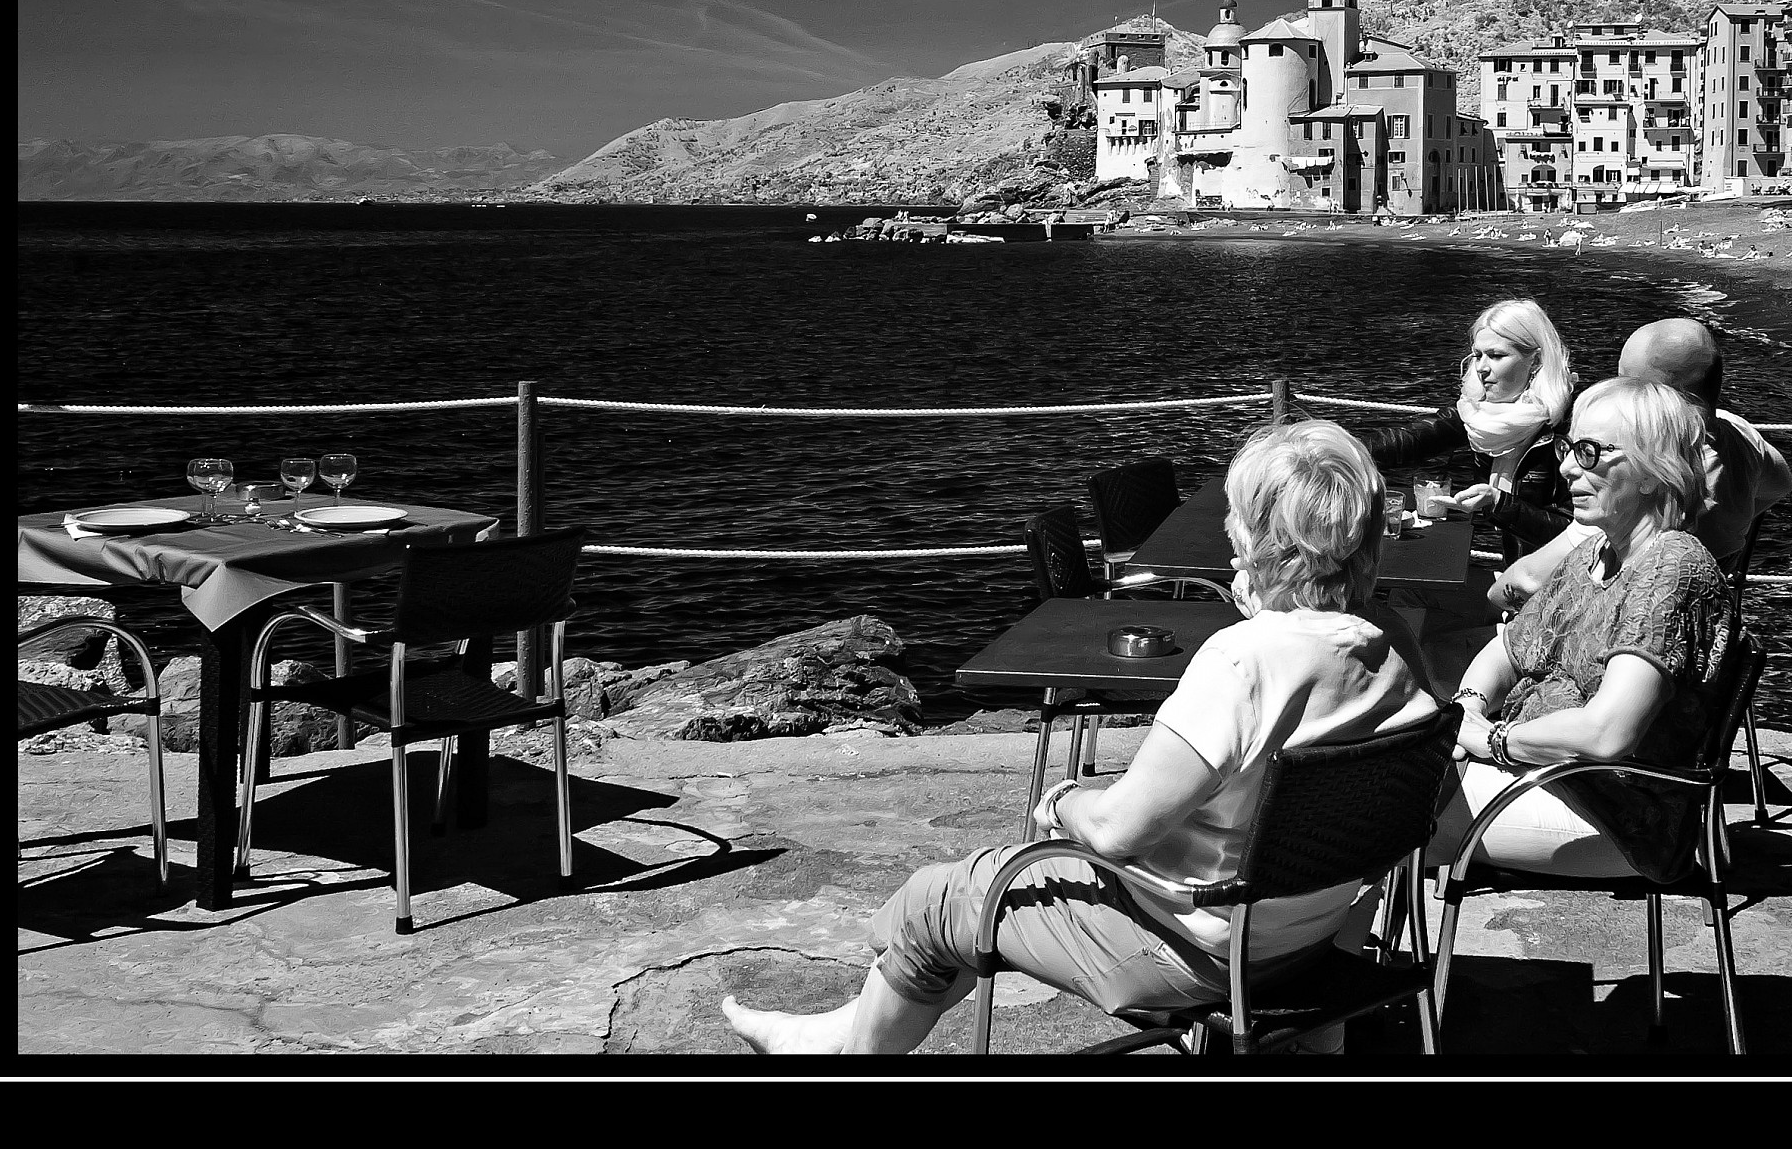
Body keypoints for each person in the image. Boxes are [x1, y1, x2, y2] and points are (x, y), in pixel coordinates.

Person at [720, 420, 1440, 1056]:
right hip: (1311, 931)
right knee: (974, 903)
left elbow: (1119, 832)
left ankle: (842, 1056)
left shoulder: (1244, 664)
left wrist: (1064, 801)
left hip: (1197, 948)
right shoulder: (1399, 645)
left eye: (1236, 522)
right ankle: (838, 1032)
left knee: (937, 903)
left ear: (1259, 542)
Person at [1429, 377, 1726, 882]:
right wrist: (1470, 705)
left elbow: (1609, 732)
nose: (1567, 466)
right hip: (1552, 780)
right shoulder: (1596, 553)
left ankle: (1323, 953)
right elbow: (1506, 650)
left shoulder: (1670, 570)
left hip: (1618, 818)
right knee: (1383, 777)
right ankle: (1345, 954)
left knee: (1384, 801)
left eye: (1589, 452)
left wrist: (1493, 741)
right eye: (1569, 448)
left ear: (1653, 474)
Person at [1361, 298, 1577, 692]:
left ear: (1537, 362)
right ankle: (1403, 690)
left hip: (1552, 594)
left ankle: (1421, 697)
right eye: (1476, 354)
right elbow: (1407, 442)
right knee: (1408, 593)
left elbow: (1578, 532)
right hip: (1511, 580)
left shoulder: (1569, 429)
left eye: (1496, 355)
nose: (1481, 367)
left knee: (1426, 638)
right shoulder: (1485, 416)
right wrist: (1331, 452)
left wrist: (1501, 506)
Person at [1615, 317, 1792, 569]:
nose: (1612, 392)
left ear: (1665, 398)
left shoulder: (1644, 462)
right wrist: (1731, 526)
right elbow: (1781, 485)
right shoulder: (1742, 435)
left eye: (1625, 383)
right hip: (1719, 569)